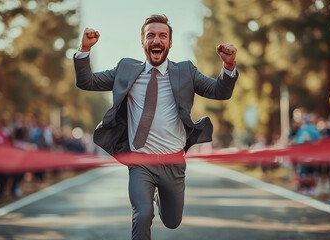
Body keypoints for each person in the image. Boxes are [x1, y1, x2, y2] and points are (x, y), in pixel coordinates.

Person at [74, 14, 238, 240]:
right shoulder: (126, 69)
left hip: (173, 162)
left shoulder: (186, 72)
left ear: (170, 43)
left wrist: (228, 66)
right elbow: (87, 82)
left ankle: (162, 197)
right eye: (150, 35)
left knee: (172, 222)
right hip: (140, 162)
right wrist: (84, 49)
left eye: (163, 36)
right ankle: (148, 199)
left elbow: (220, 92)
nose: (156, 40)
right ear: (143, 41)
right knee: (142, 214)